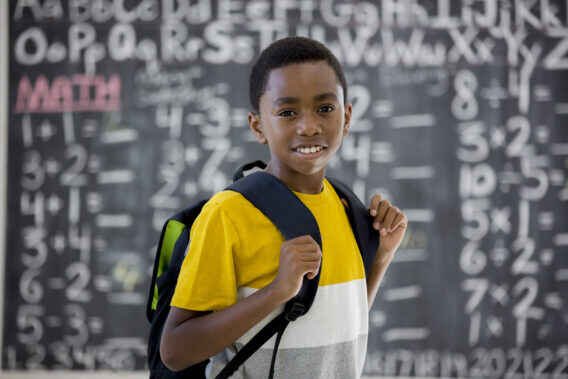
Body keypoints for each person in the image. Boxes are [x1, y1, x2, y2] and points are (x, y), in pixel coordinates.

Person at [159, 36, 408, 379]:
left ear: (347, 117)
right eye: (287, 112)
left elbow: (338, 322)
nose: (308, 126)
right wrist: (276, 292)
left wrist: (382, 255)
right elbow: (174, 350)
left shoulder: (346, 206)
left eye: (325, 108)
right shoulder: (228, 214)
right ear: (258, 125)